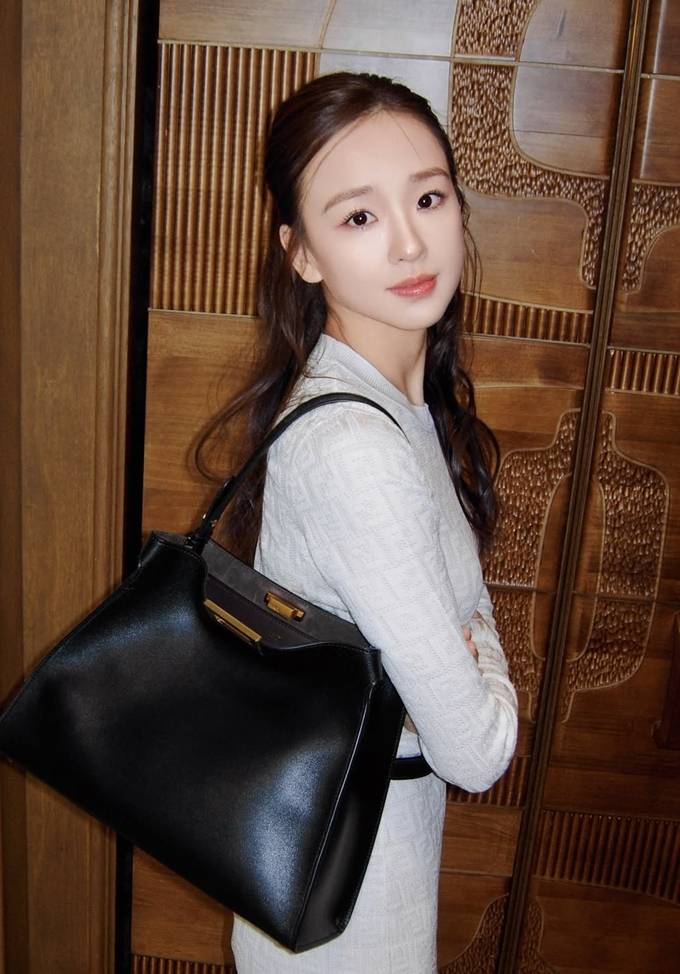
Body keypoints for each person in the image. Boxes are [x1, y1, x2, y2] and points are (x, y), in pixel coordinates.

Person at [198, 72, 518, 974]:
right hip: (346, 919)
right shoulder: (356, 447)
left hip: (356, 875)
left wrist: (464, 641)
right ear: (302, 253)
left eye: (428, 198)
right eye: (360, 217)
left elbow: (457, 627)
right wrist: (482, 656)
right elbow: (476, 750)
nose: (410, 241)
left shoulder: (393, 402)